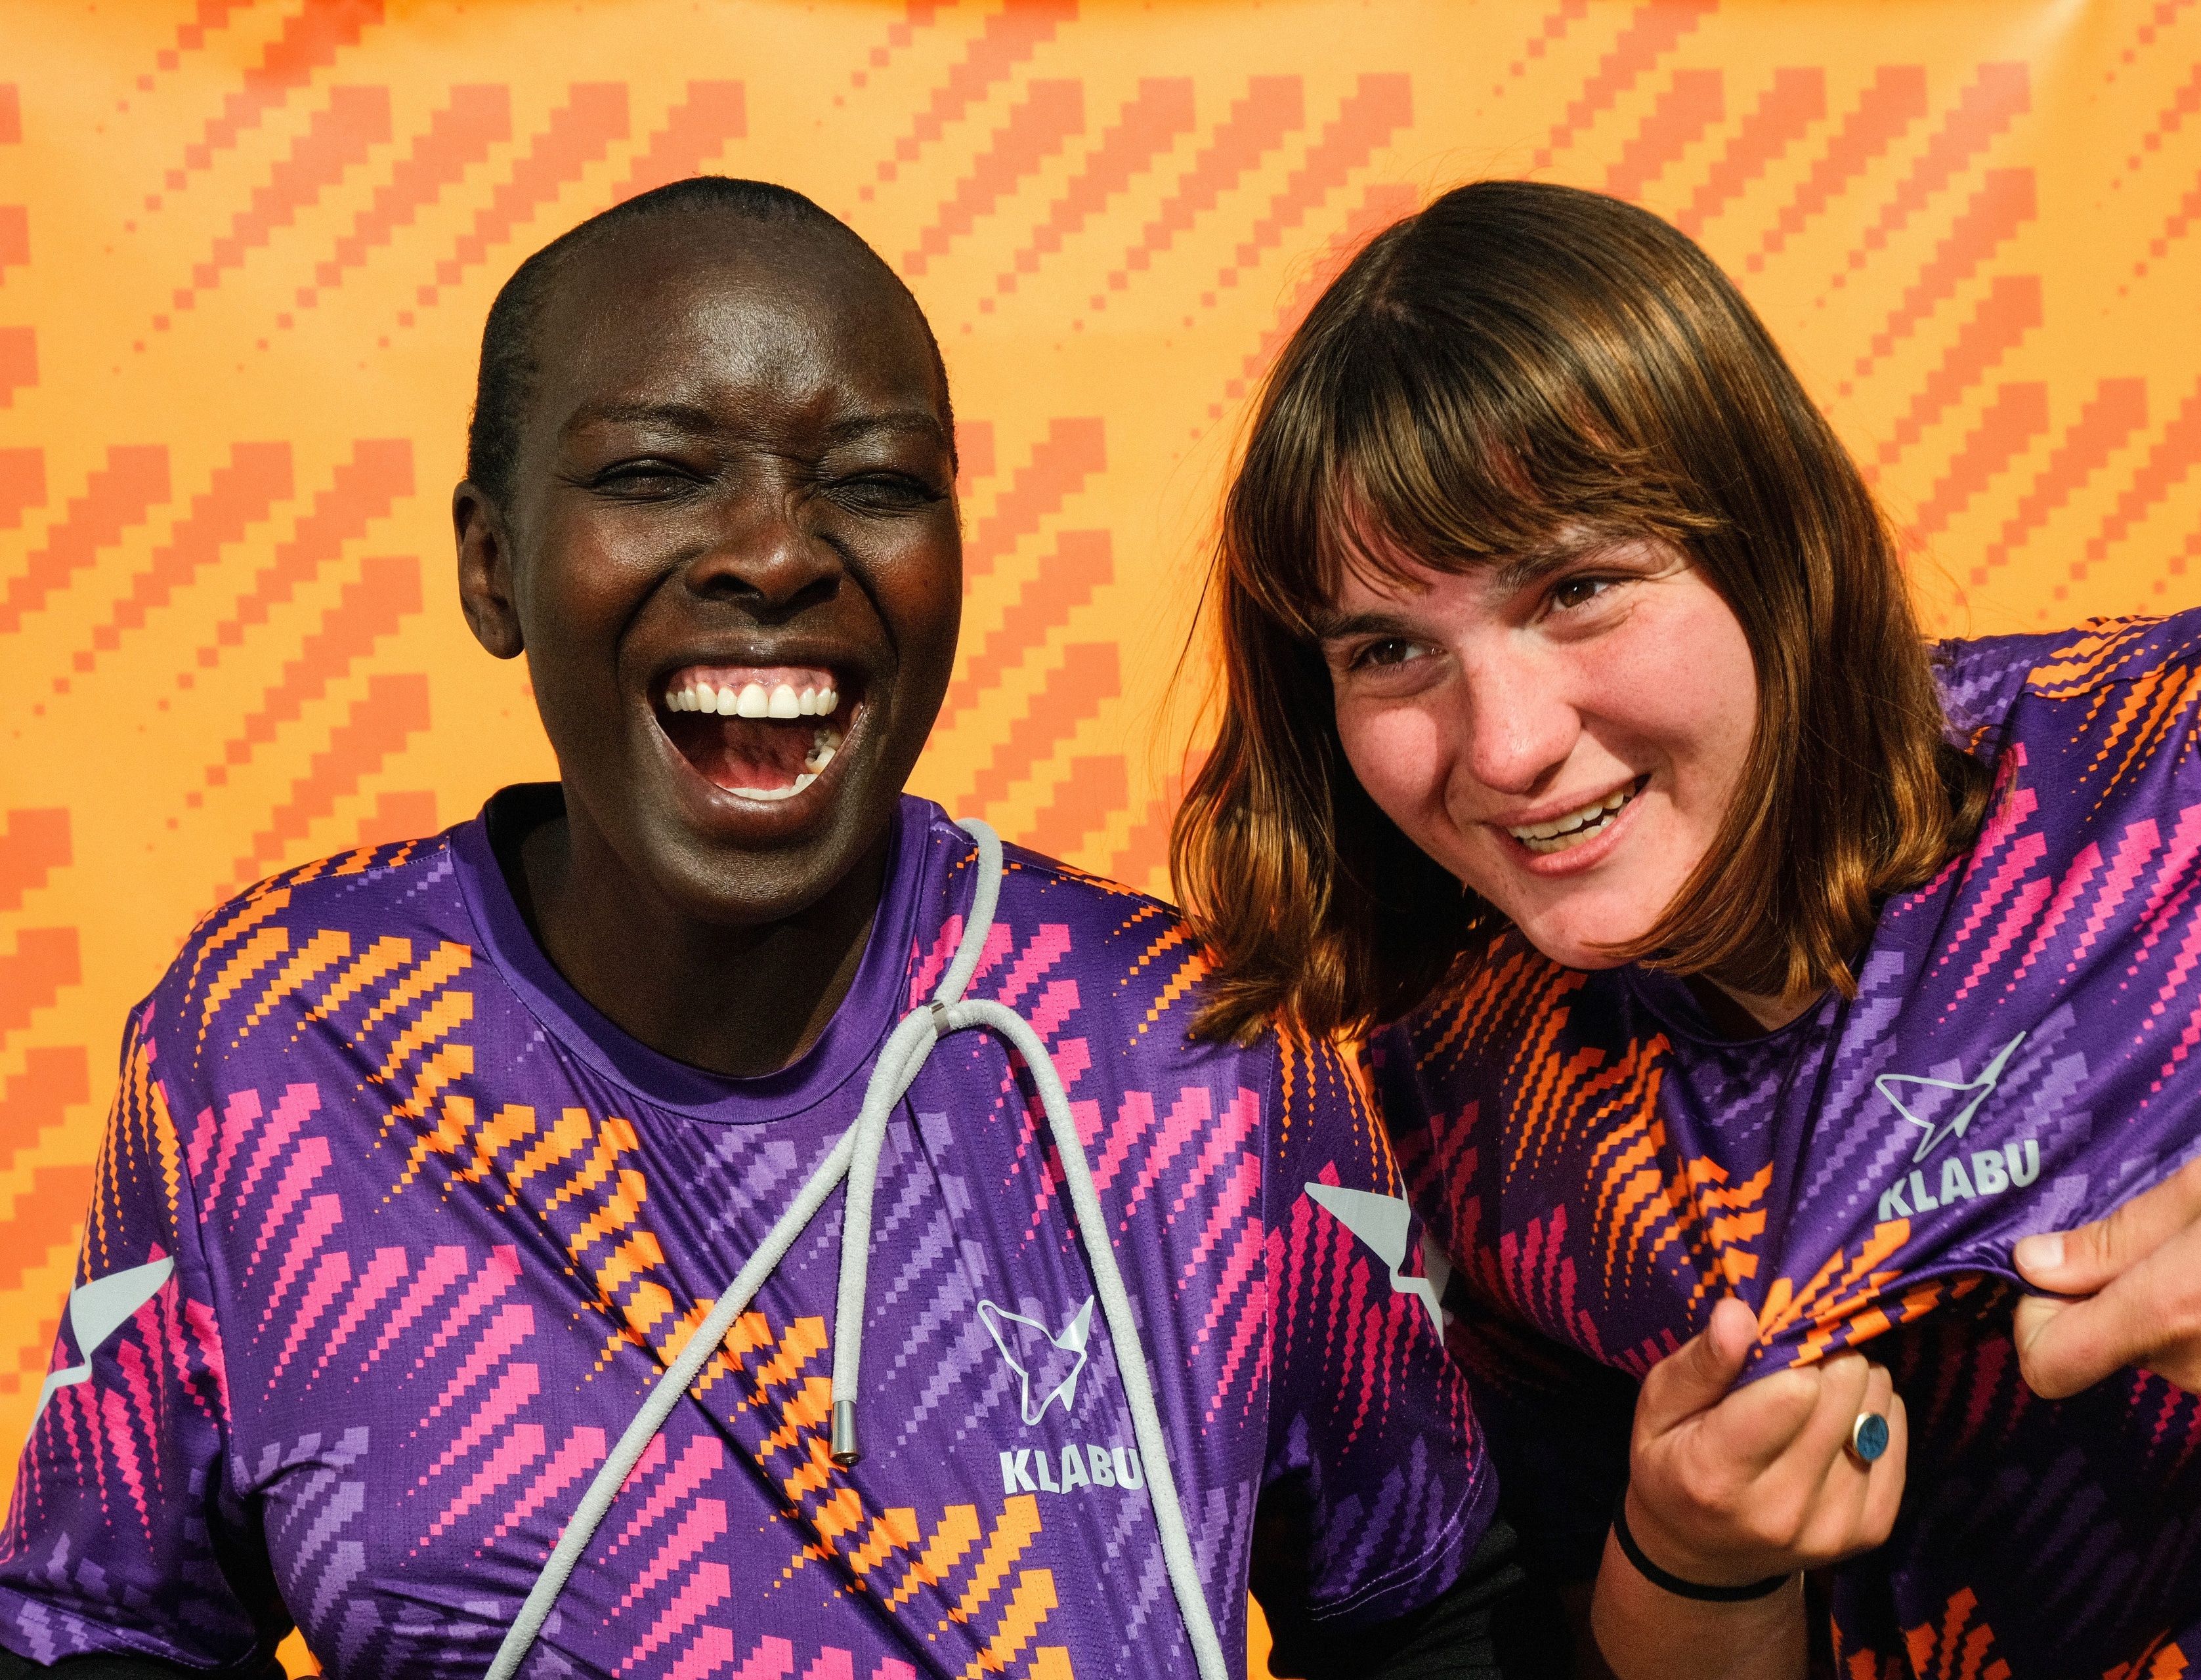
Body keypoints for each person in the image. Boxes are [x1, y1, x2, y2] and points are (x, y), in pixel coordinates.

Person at [0, 178, 1522, 1679]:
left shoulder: (1189, 1054)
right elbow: (101, 1621)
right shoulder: (282, 1038)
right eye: (658, 473)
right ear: (489, 562)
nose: (778, 552)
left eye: (873, 481)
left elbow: (1433, 1610)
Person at [1170, 178, 2201, 1679]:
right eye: (1390, 649)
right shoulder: (1459, 1105)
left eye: (1581, 588)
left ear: (1773, 535)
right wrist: (1693, 1558)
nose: (1502, 743)